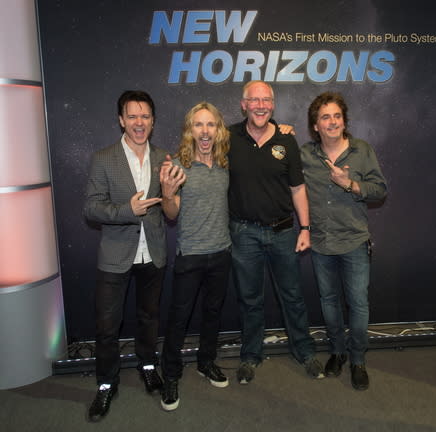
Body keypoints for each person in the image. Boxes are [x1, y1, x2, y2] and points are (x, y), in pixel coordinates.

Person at [227, 80, 324, 384]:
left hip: (283, 232)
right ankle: (250, 356)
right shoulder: (227, 137)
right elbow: (199, 148)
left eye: (266, 100)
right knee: (250, 299)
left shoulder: (287, 140)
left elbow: (297, 188)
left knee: (293, 297)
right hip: (244, 234)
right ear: (244, 104)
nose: (260, 105)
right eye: (254, 100)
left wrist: (305, 227)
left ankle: (305, 352)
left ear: (273, 104)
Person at [84, 90, 167, 421]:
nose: (139, 122)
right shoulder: (103, 158)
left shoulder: (164, 157)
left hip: (154, 252)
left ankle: (148, 367)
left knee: (149, 318)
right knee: (107, 327)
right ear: (121, 120)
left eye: (145, 116)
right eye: (132, 116)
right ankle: (106, 384)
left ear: (153, 121)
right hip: (116, 255)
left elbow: (170, 207)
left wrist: (172, 194)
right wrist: (127, 210)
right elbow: (91, 208)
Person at [300, 91, 387, 391]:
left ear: (344, 120)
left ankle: (358, 360)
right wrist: (279, 130)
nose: (332, 121)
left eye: (337, 116)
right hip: (322, 243)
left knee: (358, 304)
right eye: (325, 117)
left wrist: (349, 184)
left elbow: (380, 190)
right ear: (315, 125)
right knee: (329, 303)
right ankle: (337, 352)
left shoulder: (362, 150)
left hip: (354, 242)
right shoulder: (306, 155)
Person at [158, 102, 232, 411]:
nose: (204, 131)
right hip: (190, 255)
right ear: (190, 130)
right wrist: (167, 192)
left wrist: (284, 128)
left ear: (218, 130)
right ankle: (171, 375)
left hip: (221, 253)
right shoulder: (177, 166)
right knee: (179, 320)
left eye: (210, 124)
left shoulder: (225, 162)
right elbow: (170, 214)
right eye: (198, 125)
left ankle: (206, 362)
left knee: (212, 315)